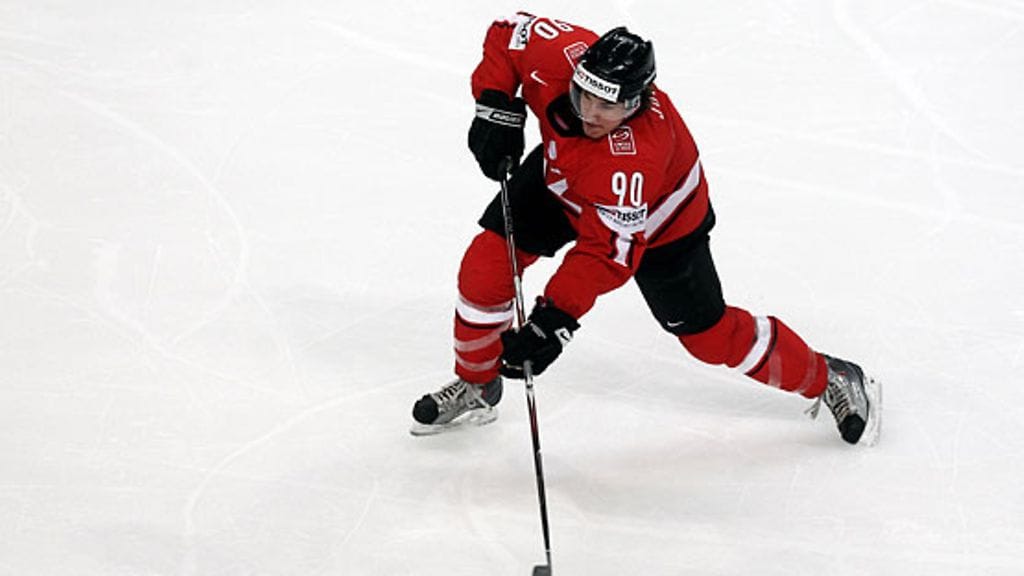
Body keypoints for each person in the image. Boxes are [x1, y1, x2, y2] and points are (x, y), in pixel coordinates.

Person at [410, 13, 880, 444]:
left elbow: (606, 253)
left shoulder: (633, 160)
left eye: (606, 106)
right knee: (483, 269)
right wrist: (495, 104)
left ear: (637, 102)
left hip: (658, 227)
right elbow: (506, 33)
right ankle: (478, 382)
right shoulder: (558, 55)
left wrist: (554, 319)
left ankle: (830, 376)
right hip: (561, 180)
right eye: (583, 95)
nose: (590, 112)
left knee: (709, 337)